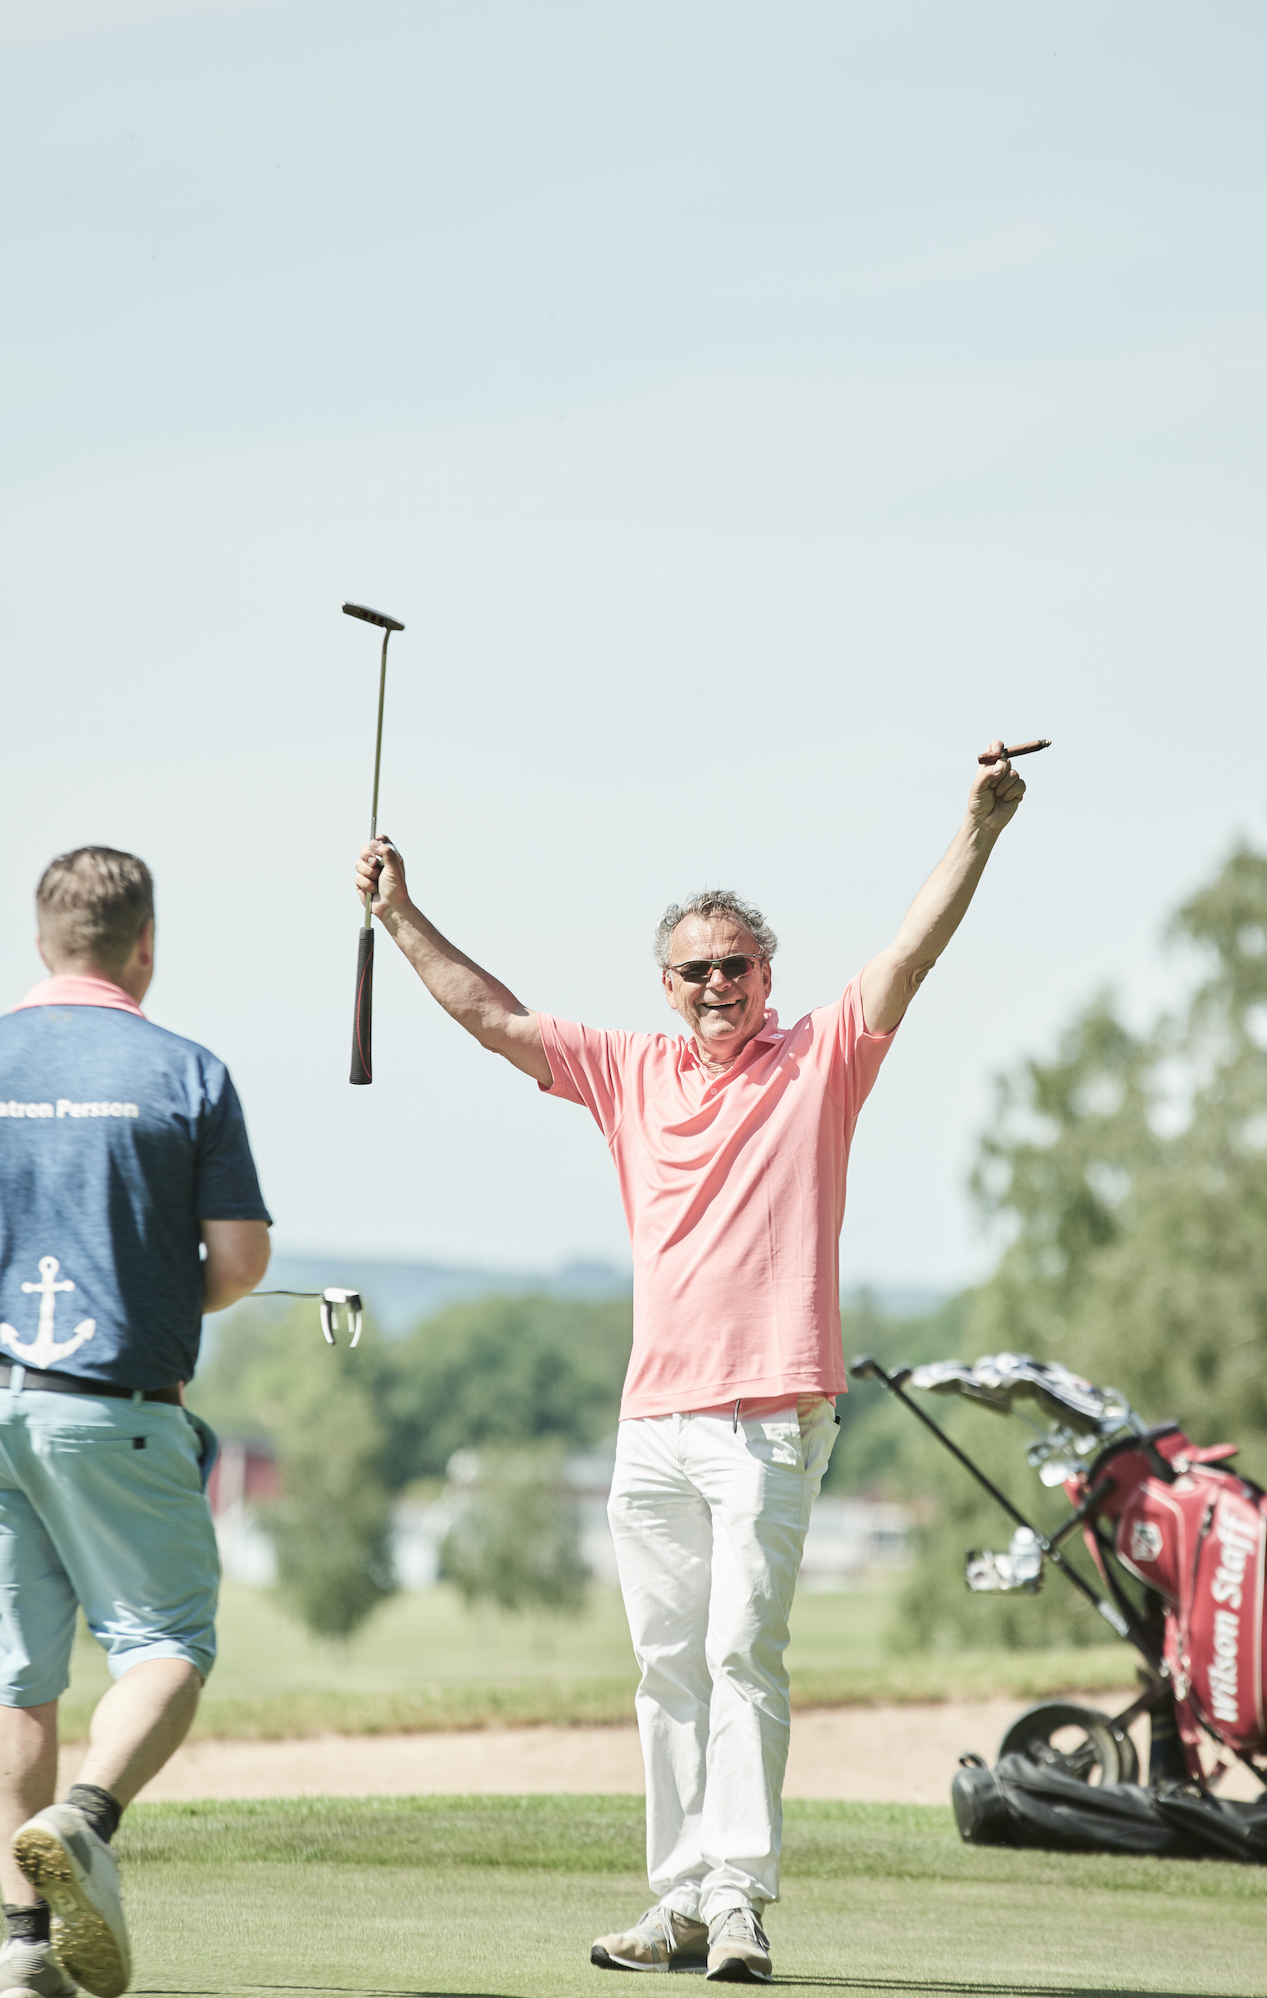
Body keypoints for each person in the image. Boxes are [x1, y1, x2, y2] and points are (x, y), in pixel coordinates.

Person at [353, 744, 1027, 1983]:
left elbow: (910, 952)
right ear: (664, 987)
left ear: (768, 973)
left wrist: (976, 826)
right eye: (695, 971)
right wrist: (400, 915)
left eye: (736, 965)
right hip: (651, 1418)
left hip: (768, 1416)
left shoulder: (820, 1055)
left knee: (737, 1655)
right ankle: (675, 1898)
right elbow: (493, 1015)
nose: (718, 985)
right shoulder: (629, 1070)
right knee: (663, 1667)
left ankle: (738, 1903)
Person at [0, 849, 272, 1998]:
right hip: (116, 1407)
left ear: (44, 937)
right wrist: (159, 1291)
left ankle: (21, 1952)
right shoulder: (185, 1071)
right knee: (167, 1648)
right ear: (144, 946)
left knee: (19, 1682)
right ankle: (89, 1817)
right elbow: (240, 1262)